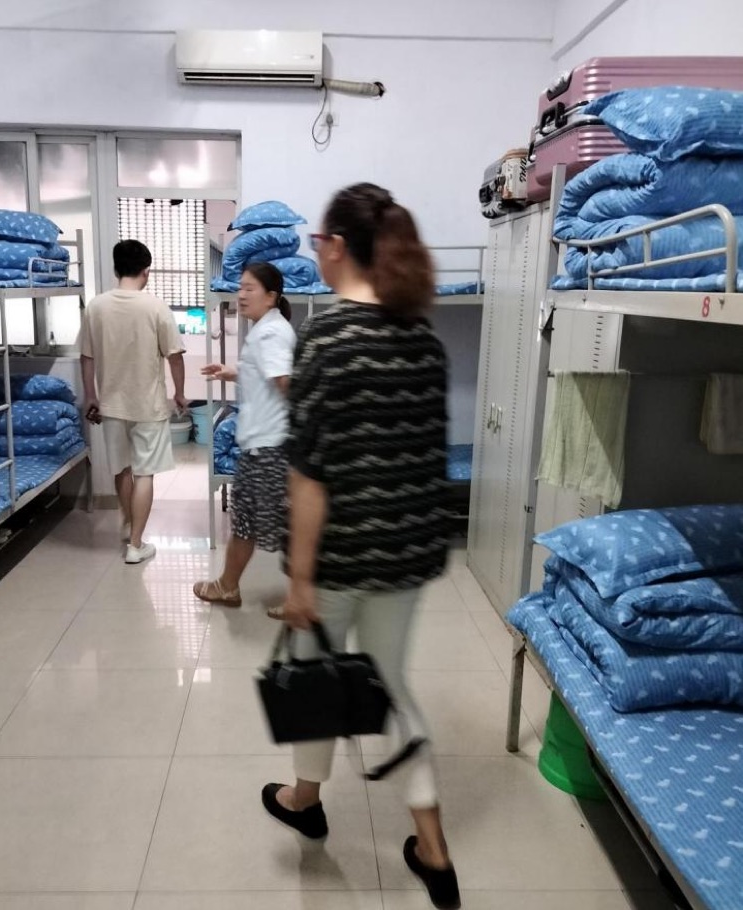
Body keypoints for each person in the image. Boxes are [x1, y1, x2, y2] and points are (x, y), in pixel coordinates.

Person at [261, 184, 460, 909]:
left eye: (318, 242)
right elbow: (426, 459)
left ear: (339, 247)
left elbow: (309, 476)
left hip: (339, 557)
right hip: (405, 555)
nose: (316, 253)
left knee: (316, 680)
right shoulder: (424, 340)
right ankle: (433, 850)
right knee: (390, 684)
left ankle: (303, 799)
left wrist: (300, 579)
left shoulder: (328, 339)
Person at [193, 262, 296, 610]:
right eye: (240, 287)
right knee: (246, 521)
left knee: (287, 526)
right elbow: (265, 373)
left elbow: (285, 382)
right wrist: (233, 372)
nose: (241, 295)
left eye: (250, 288)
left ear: (271, 296)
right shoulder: (266, 329)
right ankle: (227, 586)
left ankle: (306, 598)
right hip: (260, 446)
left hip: (270, 447)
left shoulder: (271, 333)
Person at [79, 239, 188, 565]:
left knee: (122, 468)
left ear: (116, 269)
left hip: (111, 404)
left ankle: (128, 525)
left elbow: (87, 357)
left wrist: (91, 396)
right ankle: (136, 544)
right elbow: (175, 356)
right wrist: (179, 393)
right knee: (145, 474)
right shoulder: (155, 307)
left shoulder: (96, 307)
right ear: (146, 271)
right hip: (148, 405)